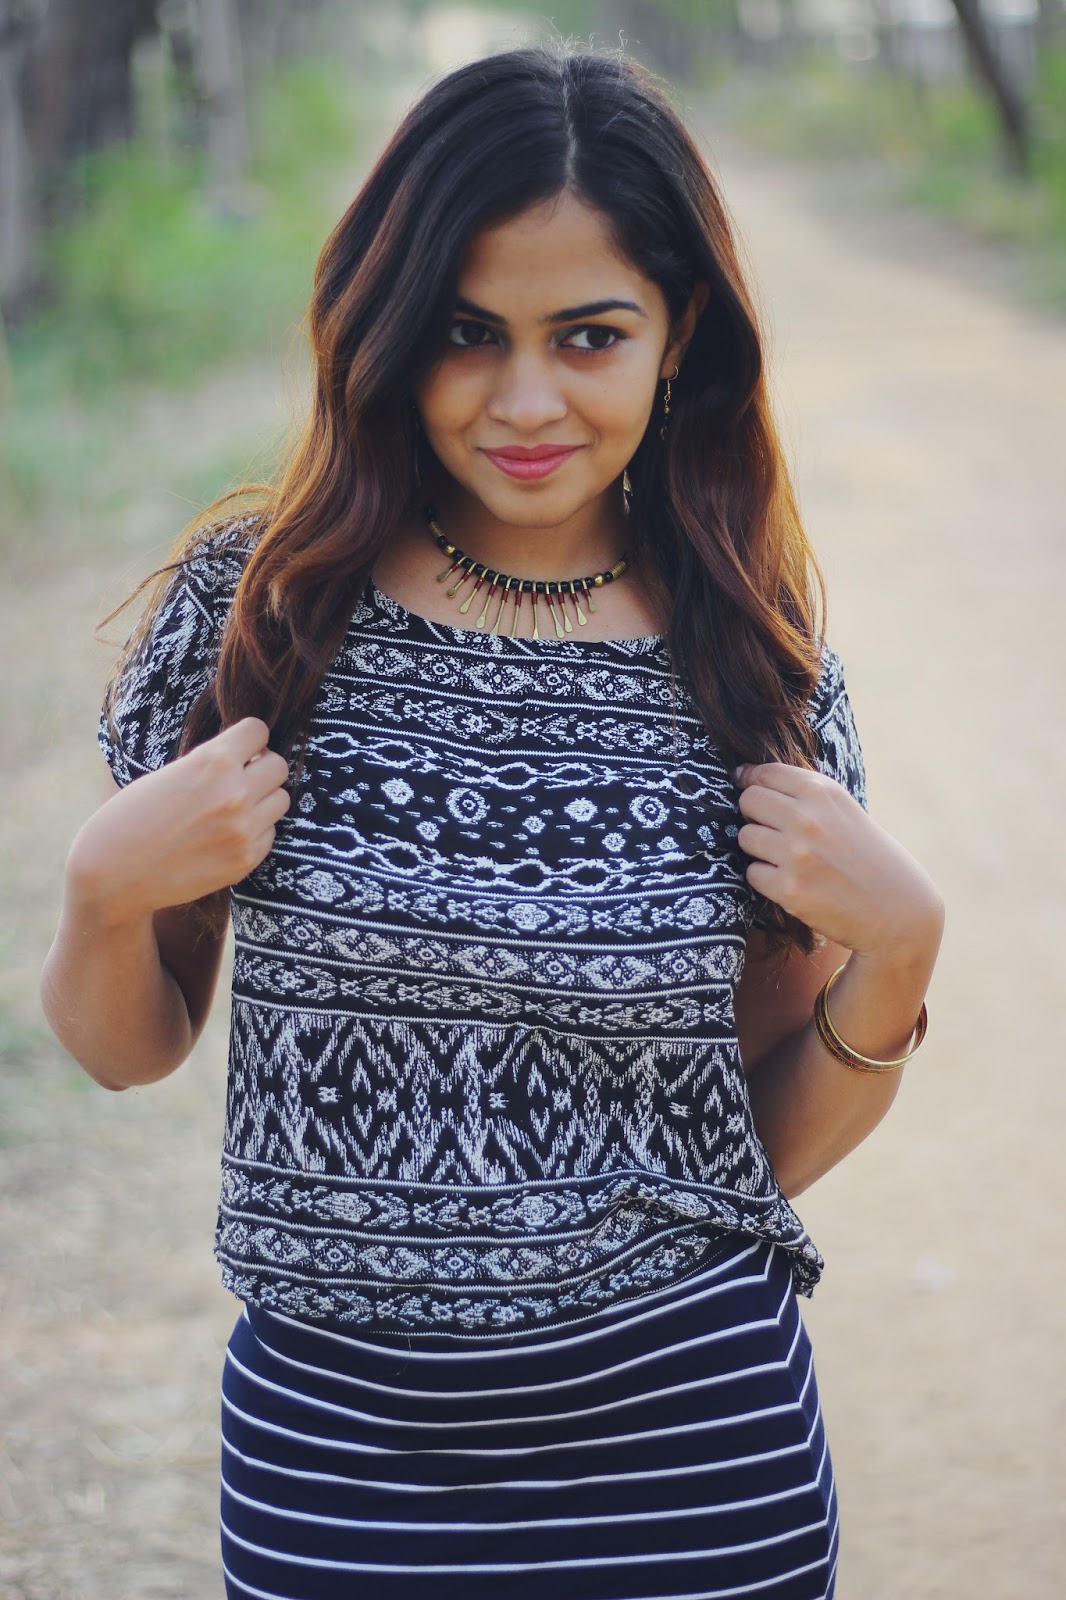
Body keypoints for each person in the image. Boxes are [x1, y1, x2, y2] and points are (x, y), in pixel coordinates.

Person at [39, 43, 944, 1600]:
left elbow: (756, 1150)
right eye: (467, 334)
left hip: (686, 1455)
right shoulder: (264, 616)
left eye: (589, 335)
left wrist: (900, 954)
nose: (526, 401)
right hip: (336, 1456)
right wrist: (101, 894)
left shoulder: (752, 660)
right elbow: (129, 1050)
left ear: (678, 338)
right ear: (389, 332)